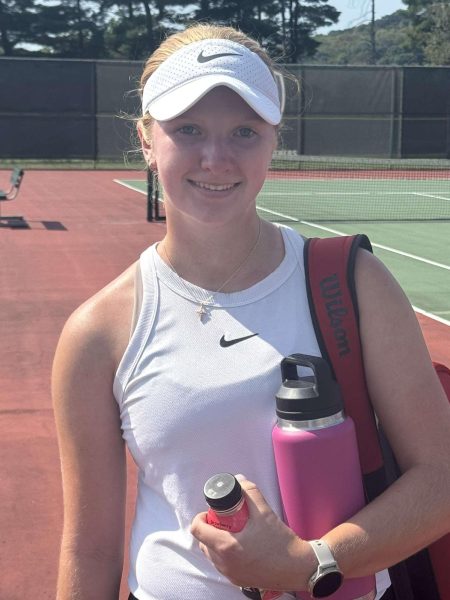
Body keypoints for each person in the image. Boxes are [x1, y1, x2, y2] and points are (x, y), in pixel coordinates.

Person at [52, 22, 450, 600]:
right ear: (145, 139)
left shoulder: (355, 283)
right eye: (187, 129)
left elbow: (441, 477)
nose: (216, 158)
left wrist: (311, 563)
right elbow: (89, 548)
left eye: (244, 130)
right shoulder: (97, 332)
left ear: (274, 138)